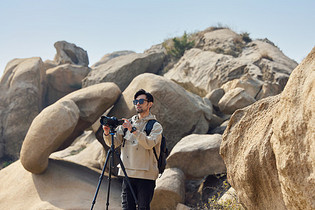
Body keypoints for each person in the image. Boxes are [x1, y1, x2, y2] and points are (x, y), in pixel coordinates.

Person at [103, 89, 163, 210]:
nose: (138, 103)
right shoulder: (127, 123)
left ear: (150, 104)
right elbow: (113, 144)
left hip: (146, 175)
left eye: (141, 101)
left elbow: (149, 143)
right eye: (135, 101)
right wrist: (107, 133)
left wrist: (133, 130)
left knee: (143, 208)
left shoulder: (155, 126)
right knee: (127, 208)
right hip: (128, 173)